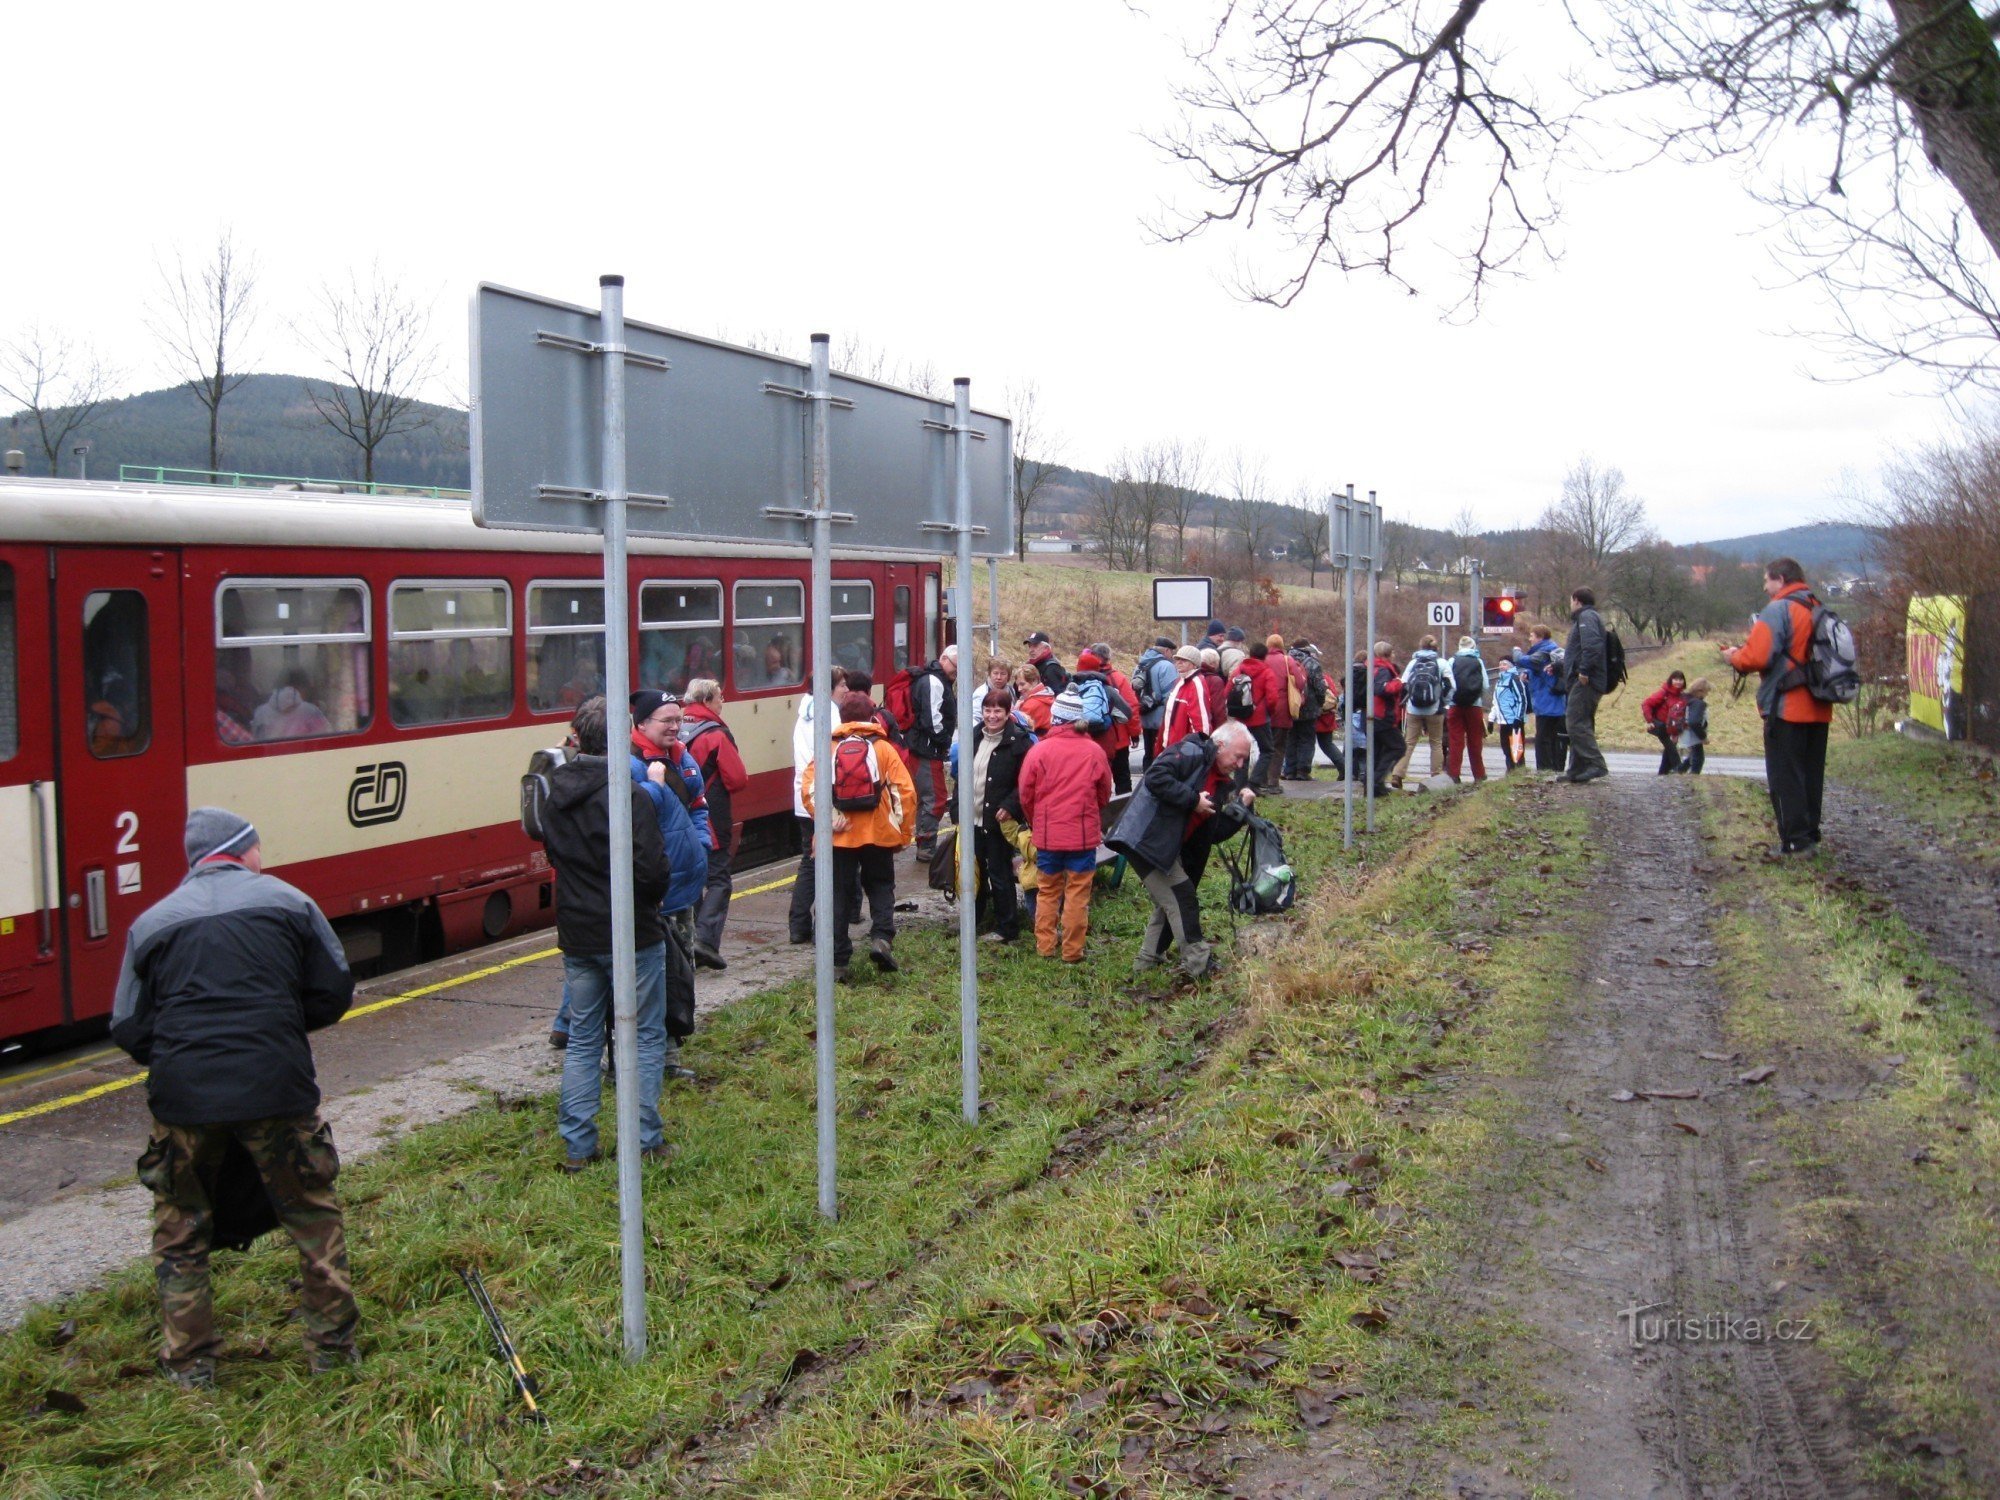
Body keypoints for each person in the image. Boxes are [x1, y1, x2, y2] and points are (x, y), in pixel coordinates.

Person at [110, 807, 359, 1388]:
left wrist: (181, 1055)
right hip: (276, 1086)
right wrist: (276, 1030)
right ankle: (331, 1353)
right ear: (243, 851)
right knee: (312, 1214)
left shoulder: (151, 923)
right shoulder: (290, 902)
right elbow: (334, 989)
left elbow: (128, 1024)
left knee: (181, 1227)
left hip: (183, 1100)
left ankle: (190, 1365)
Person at [538, 698, 676, 1172]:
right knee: (642, 1035)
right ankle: (643, 1139)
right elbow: (653, 871)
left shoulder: (553, 793)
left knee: (582, 1038)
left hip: (577, 930)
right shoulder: (629, 794)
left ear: (576, 737)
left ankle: (578, 1146)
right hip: (631, 932)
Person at [1106, 719, 1256, 980]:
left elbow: (1214, 833)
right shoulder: (1191, 752)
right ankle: (1200, 964)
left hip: (1164, 846)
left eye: (1245, 760)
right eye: (1239, 757)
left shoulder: (1219, 781)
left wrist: (1242, 810)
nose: (1240, 765)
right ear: (1220, 745)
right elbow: (1155, 776)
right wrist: (1192, 799)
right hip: (1143, 839)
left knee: (1171, 900)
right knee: (1181, 896)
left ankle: (1147, 961)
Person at [800, 691, 918, 979]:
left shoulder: (829, 747)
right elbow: (905, 793)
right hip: (878, 833)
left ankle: (839, 960)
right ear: (872, 716)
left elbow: (809, 788)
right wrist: (902, 835)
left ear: (841, 717)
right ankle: (881, 938)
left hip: (841, 837)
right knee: (880, 886)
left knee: (838, 894)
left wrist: (830, 819)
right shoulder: (884, 748)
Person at [1724, 557, 1834, 854]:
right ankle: (1809, 834)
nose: (1764, 586)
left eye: (1766, 580)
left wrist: (1733, 656)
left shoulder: (1778, 609)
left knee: (1786, 776)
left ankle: (1794, 840)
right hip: (1821, 705)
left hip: (1787, 706)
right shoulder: (1816, 606)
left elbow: (1755, 658)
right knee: (1811, 773)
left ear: (1781, 580)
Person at [1016, 687, 1115, 962]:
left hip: (1048, 835)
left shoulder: (1040, 751)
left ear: (1056, 717)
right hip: (1082, 836)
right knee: (1077, 893)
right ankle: (1073, 951)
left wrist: (1037, 820)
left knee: (1047, 891)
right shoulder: (1094, 751)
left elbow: (1026, 793)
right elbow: (1104, 794)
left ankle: (1045, 946)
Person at [679, 678, 747, 970]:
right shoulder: (715, 735)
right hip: (710, 816)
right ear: (707, 700)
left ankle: (686, 943)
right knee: (719, 878)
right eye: (720, 697)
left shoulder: (673, 727)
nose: (723, 702)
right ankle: (705, 940)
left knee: (691, 877)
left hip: (678, 818)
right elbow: (737, 779)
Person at [960, 686, 1035, 943]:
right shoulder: (974, 736)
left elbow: (1025, 782)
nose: (992, 716)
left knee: (1000, 874)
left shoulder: (1018, 742)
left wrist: (1011, 805)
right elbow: (962, 775)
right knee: (973, 872)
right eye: (988, 710)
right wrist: (956, 810)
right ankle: (974, 921)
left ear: (1008, 712)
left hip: (999, 821)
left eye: (997, 711)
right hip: (971, 818)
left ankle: (1007, 928)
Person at [788, 666, 846, 944]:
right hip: (821, 798)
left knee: (809, 861)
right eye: (842, 685)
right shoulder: (829, 713)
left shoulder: (804, 712)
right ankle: (817, 926)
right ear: (829, 688)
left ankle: (799, 924)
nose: (846, 690)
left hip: (804, 797)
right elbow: (835, 756)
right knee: (823, 863)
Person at [908, 644, 958, 862]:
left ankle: (924, 842)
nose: (957, 673)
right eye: (956, 667)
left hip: (924, 747)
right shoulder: (934, 682)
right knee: (935, 798)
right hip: (927, 749)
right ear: (944, 659)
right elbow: (931, 719)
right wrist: (945, 741)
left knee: (927, 798)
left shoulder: (934, 680)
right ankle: (927, 847)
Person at [1074, 645, 1141, 795]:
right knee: (1122, 778)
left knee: (1094, 781)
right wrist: (1135, 733)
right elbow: (1131, 708)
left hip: (1086, 739)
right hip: (1117, 740)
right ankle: (1122, 813)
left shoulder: (1075, 685)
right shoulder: (1117, 678)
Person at [1562, 588, 1611, 785]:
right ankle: (1577, 768)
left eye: (1571, 600)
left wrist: (1584, 671)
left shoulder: (1587, 617)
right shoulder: (1588, 617)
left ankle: (1595, 764)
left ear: (1576, 600)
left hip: (1586, 681)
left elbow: (1592, 645)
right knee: (1581, 722)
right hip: (1586, 678)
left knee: (1575, 723)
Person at [1390, 636, 1447, 788]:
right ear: (1436, 648)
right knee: (1436, 743)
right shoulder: (1441, 663)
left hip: (1413, 708)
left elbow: (1403, 683)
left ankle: (1397, 774)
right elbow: (1451, 684)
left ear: (1420, 647)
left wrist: (1405, 702)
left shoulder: (1413, 663)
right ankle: (1436, 775)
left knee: (1408, 742)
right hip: (1435, 709)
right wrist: (1445, 701)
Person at [1521, 625, 1569, 774]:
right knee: (1557, 738)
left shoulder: (1542, 653)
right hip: (1559, 703)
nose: (1530, 639)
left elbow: (1522, 661)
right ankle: (1557, 769)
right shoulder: (1555, 651)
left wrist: (1515, 652)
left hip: (1546, 703)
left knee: (1543, 739)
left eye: (1532, 636)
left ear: (1540, 637)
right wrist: (1529, 675)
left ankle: (1545, 770)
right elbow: (1541, 673)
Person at [1445, 635, 1490, 783]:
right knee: (1475, 740)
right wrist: (1477, 698)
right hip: (1474, 706)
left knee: (1456, 740)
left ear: (1459, 647)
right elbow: (1485, 686)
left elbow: (1447, 683)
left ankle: (1454, 774)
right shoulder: (1478, 661)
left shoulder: (1452, 661)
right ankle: (1479, 774)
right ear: (1473, 647)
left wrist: (1451, 699)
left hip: (1455, 705)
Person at [1263, 635, 1305, 793]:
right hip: (1282, 707)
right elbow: (1300, 683)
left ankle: (1260, 780)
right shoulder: (1288, 661)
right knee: (1278, 746)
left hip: (1263, 708)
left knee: (1264, 746)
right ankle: (1273, 782)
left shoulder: (1262, 660)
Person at [1281, 638, 1327, 780]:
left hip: (1289, 706)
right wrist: (1320, 702)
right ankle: (1302, 771)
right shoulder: (1312, 663)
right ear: (1306, 649)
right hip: (1309, 707)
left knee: (1291, 738)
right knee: (1306, 739)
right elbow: (1320, 687)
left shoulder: (1284, 661)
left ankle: (1289, 771)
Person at [1134, 637, 1180, 768]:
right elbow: (1171, 694)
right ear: (1166, 650)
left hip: (1145, 714)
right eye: (1171, 652)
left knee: (1148, 753)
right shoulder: (1167, 666)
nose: (1172, 656)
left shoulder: (1140, 665)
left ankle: (1146, 781)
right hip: (1161, 718)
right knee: (1161, 754)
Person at [1160, 644, 1212, 750]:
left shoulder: (1196, 684)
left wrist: (1193, 751)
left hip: (1184, 751)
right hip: (1172, 746)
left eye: (1184, 660)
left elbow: (1201, 726)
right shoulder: (1179, 682)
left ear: (1194, 664)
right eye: (1177, 659)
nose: (1178, 662)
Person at [1641, 670, 1690, 775]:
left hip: (1673, 728)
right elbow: (1646, 704)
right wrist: (1649, 720)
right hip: (1660, 725)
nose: (1678, 682)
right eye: (1675, 679)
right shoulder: (1664, 693)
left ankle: (1663, 773)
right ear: (1671, 680)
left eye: (1681, 679)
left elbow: (1681, 714)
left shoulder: (1683, 696)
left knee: (1669, 748)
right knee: (1670, 746)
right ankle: (1678, 768)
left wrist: (1679, 731)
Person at [1490, 653, 1529, 771]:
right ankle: (1510, 771)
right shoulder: (1499, 682)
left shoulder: (1514, 680)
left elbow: (1522, 700)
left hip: (1514, 721)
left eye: (1505, 664)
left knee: (1517, 751)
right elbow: (1496, 702)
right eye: (1500, 664)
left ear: (1510, 666)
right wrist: (1491, 719)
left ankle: (1519, 773)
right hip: (1503, 721)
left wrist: (1518, 718)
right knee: (1506, 749)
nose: (1502, 666)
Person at [1679, 677, 1711, 775]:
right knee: (1699, 758)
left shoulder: (1684, 698)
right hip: (1692, 735)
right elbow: (1694, 722)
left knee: (1691, 757)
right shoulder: (1698, 703)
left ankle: (1678, 773)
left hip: (1681, 732)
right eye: (1706, 692)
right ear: (1700, 691)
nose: (1707, 694)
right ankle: (1693, 779)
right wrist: (1703, 737)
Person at [1012, 662, 1056, 730]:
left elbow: (1017, 730)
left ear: (1034, 681)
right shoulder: (1048, 696)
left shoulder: (1030, 705)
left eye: (1022, 684)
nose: (1019, 689)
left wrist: (1015, 711)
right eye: (1018, 685)